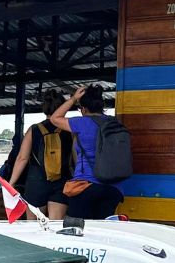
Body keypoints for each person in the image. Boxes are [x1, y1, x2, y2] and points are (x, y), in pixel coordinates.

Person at [50, 85, 124, 220]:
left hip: (85, 186)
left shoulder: (82, 122)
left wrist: (73, 99)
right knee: (102, 229)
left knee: (76, 229)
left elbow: (55, 118)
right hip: (114, 188)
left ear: (83, 109)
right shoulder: (115, 123)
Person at [9, 90, 71, 220]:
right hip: (61, 181)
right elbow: (75, 156)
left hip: (36, 181)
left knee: (33, 227)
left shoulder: (34, 129)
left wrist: (11, 183)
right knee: (56, 225)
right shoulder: (69, 130)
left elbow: (22, 158)